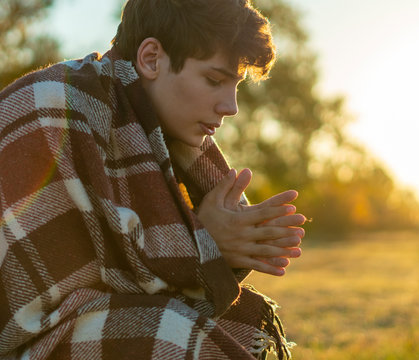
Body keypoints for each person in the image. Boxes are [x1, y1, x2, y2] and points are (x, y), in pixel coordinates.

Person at [0, 0, 305, 359]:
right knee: (169, 337)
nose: (231, 106)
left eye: (235, 86)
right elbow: (48, 295)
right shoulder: (53, 105)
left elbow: (127, 281)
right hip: (21, 337)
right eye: (213, 80)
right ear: (151, 59)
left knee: (238, 320)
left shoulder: (152, 125)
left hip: (70, 322)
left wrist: (206, 242)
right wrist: (202, 242)